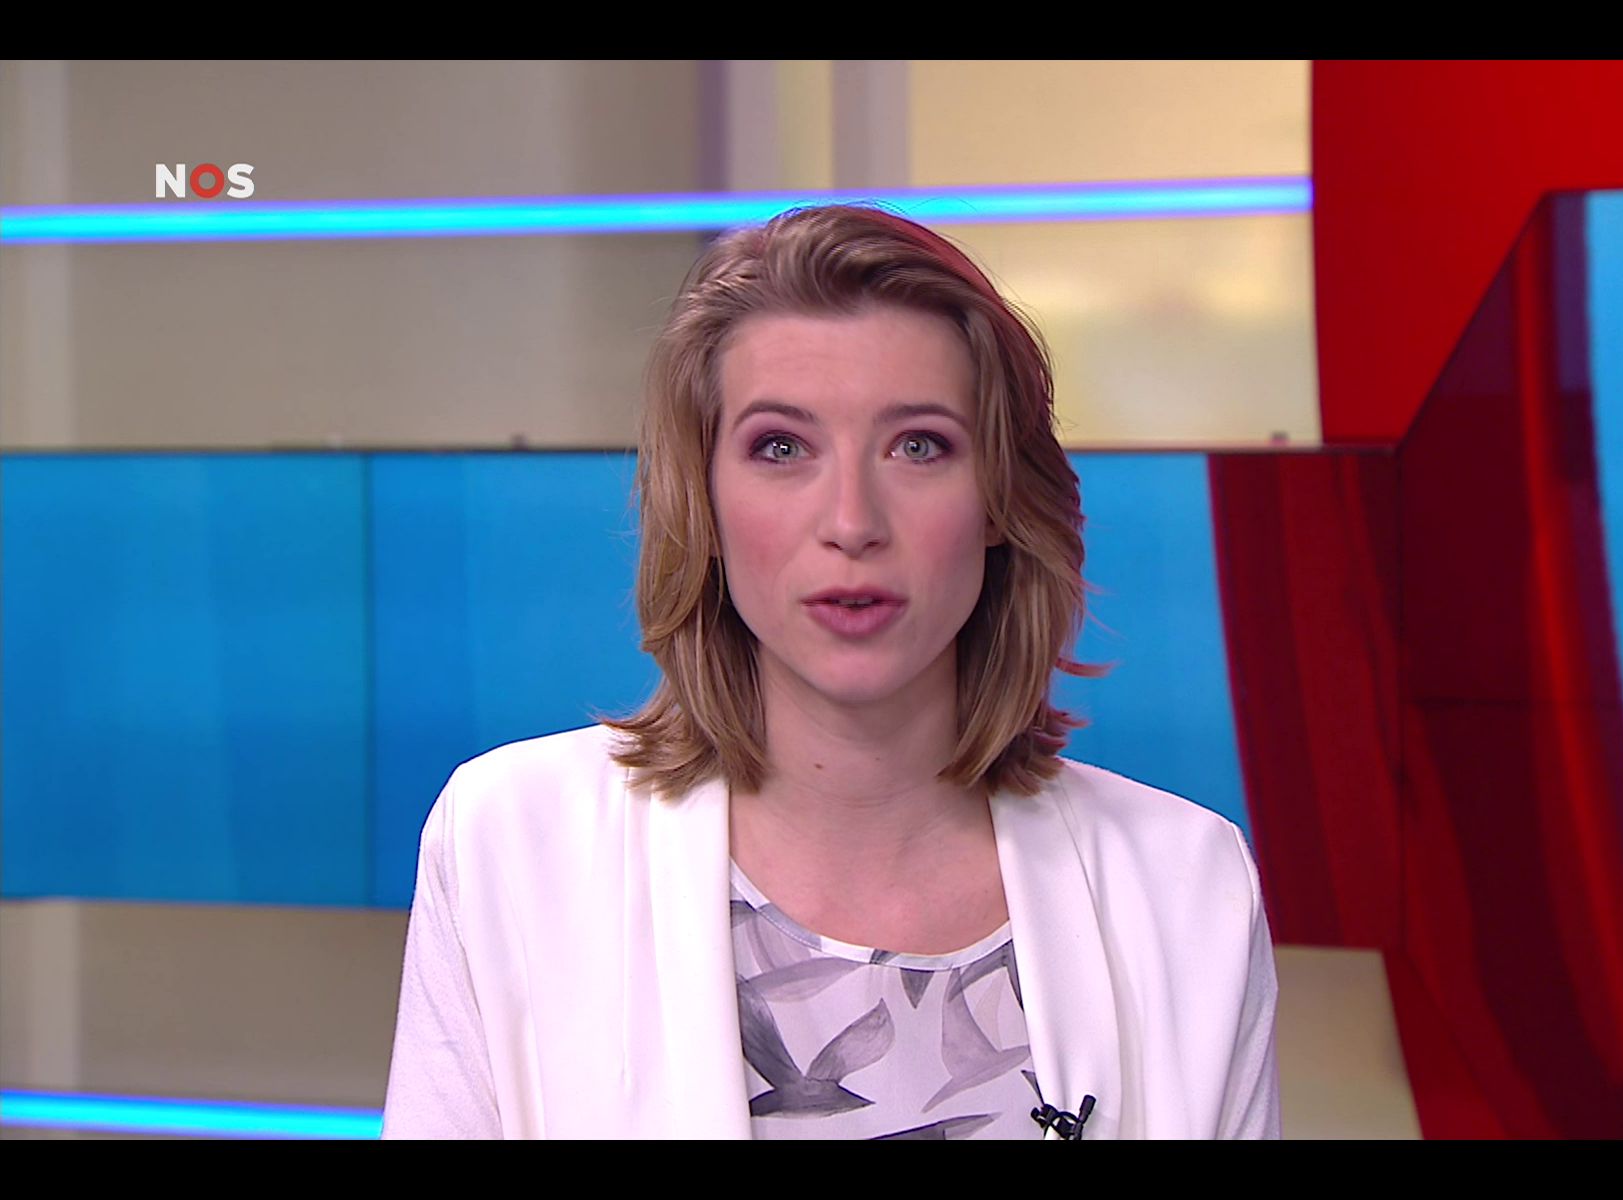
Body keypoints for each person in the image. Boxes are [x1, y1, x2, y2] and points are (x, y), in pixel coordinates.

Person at [380, 204, 1280, 1140]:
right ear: (705, 502)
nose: (852, 522)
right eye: (782, 447)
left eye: (918, 446)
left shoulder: (1186, 886)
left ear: (1000, 501)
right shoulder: (510, 842)